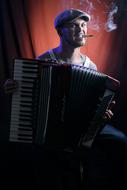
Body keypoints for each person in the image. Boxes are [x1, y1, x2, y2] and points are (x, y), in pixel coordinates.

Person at [2, 8, 127, 190]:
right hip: (50, 125)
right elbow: (27, 91)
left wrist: (103, 112)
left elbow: (94, 105)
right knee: (42, 154)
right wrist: (13, 86)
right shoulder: (45, 59)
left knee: (120, 141)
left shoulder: (91, 66)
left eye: (84, 25)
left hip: (80, 126)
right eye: (74, 25)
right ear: (60, 31)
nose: (81, 30)